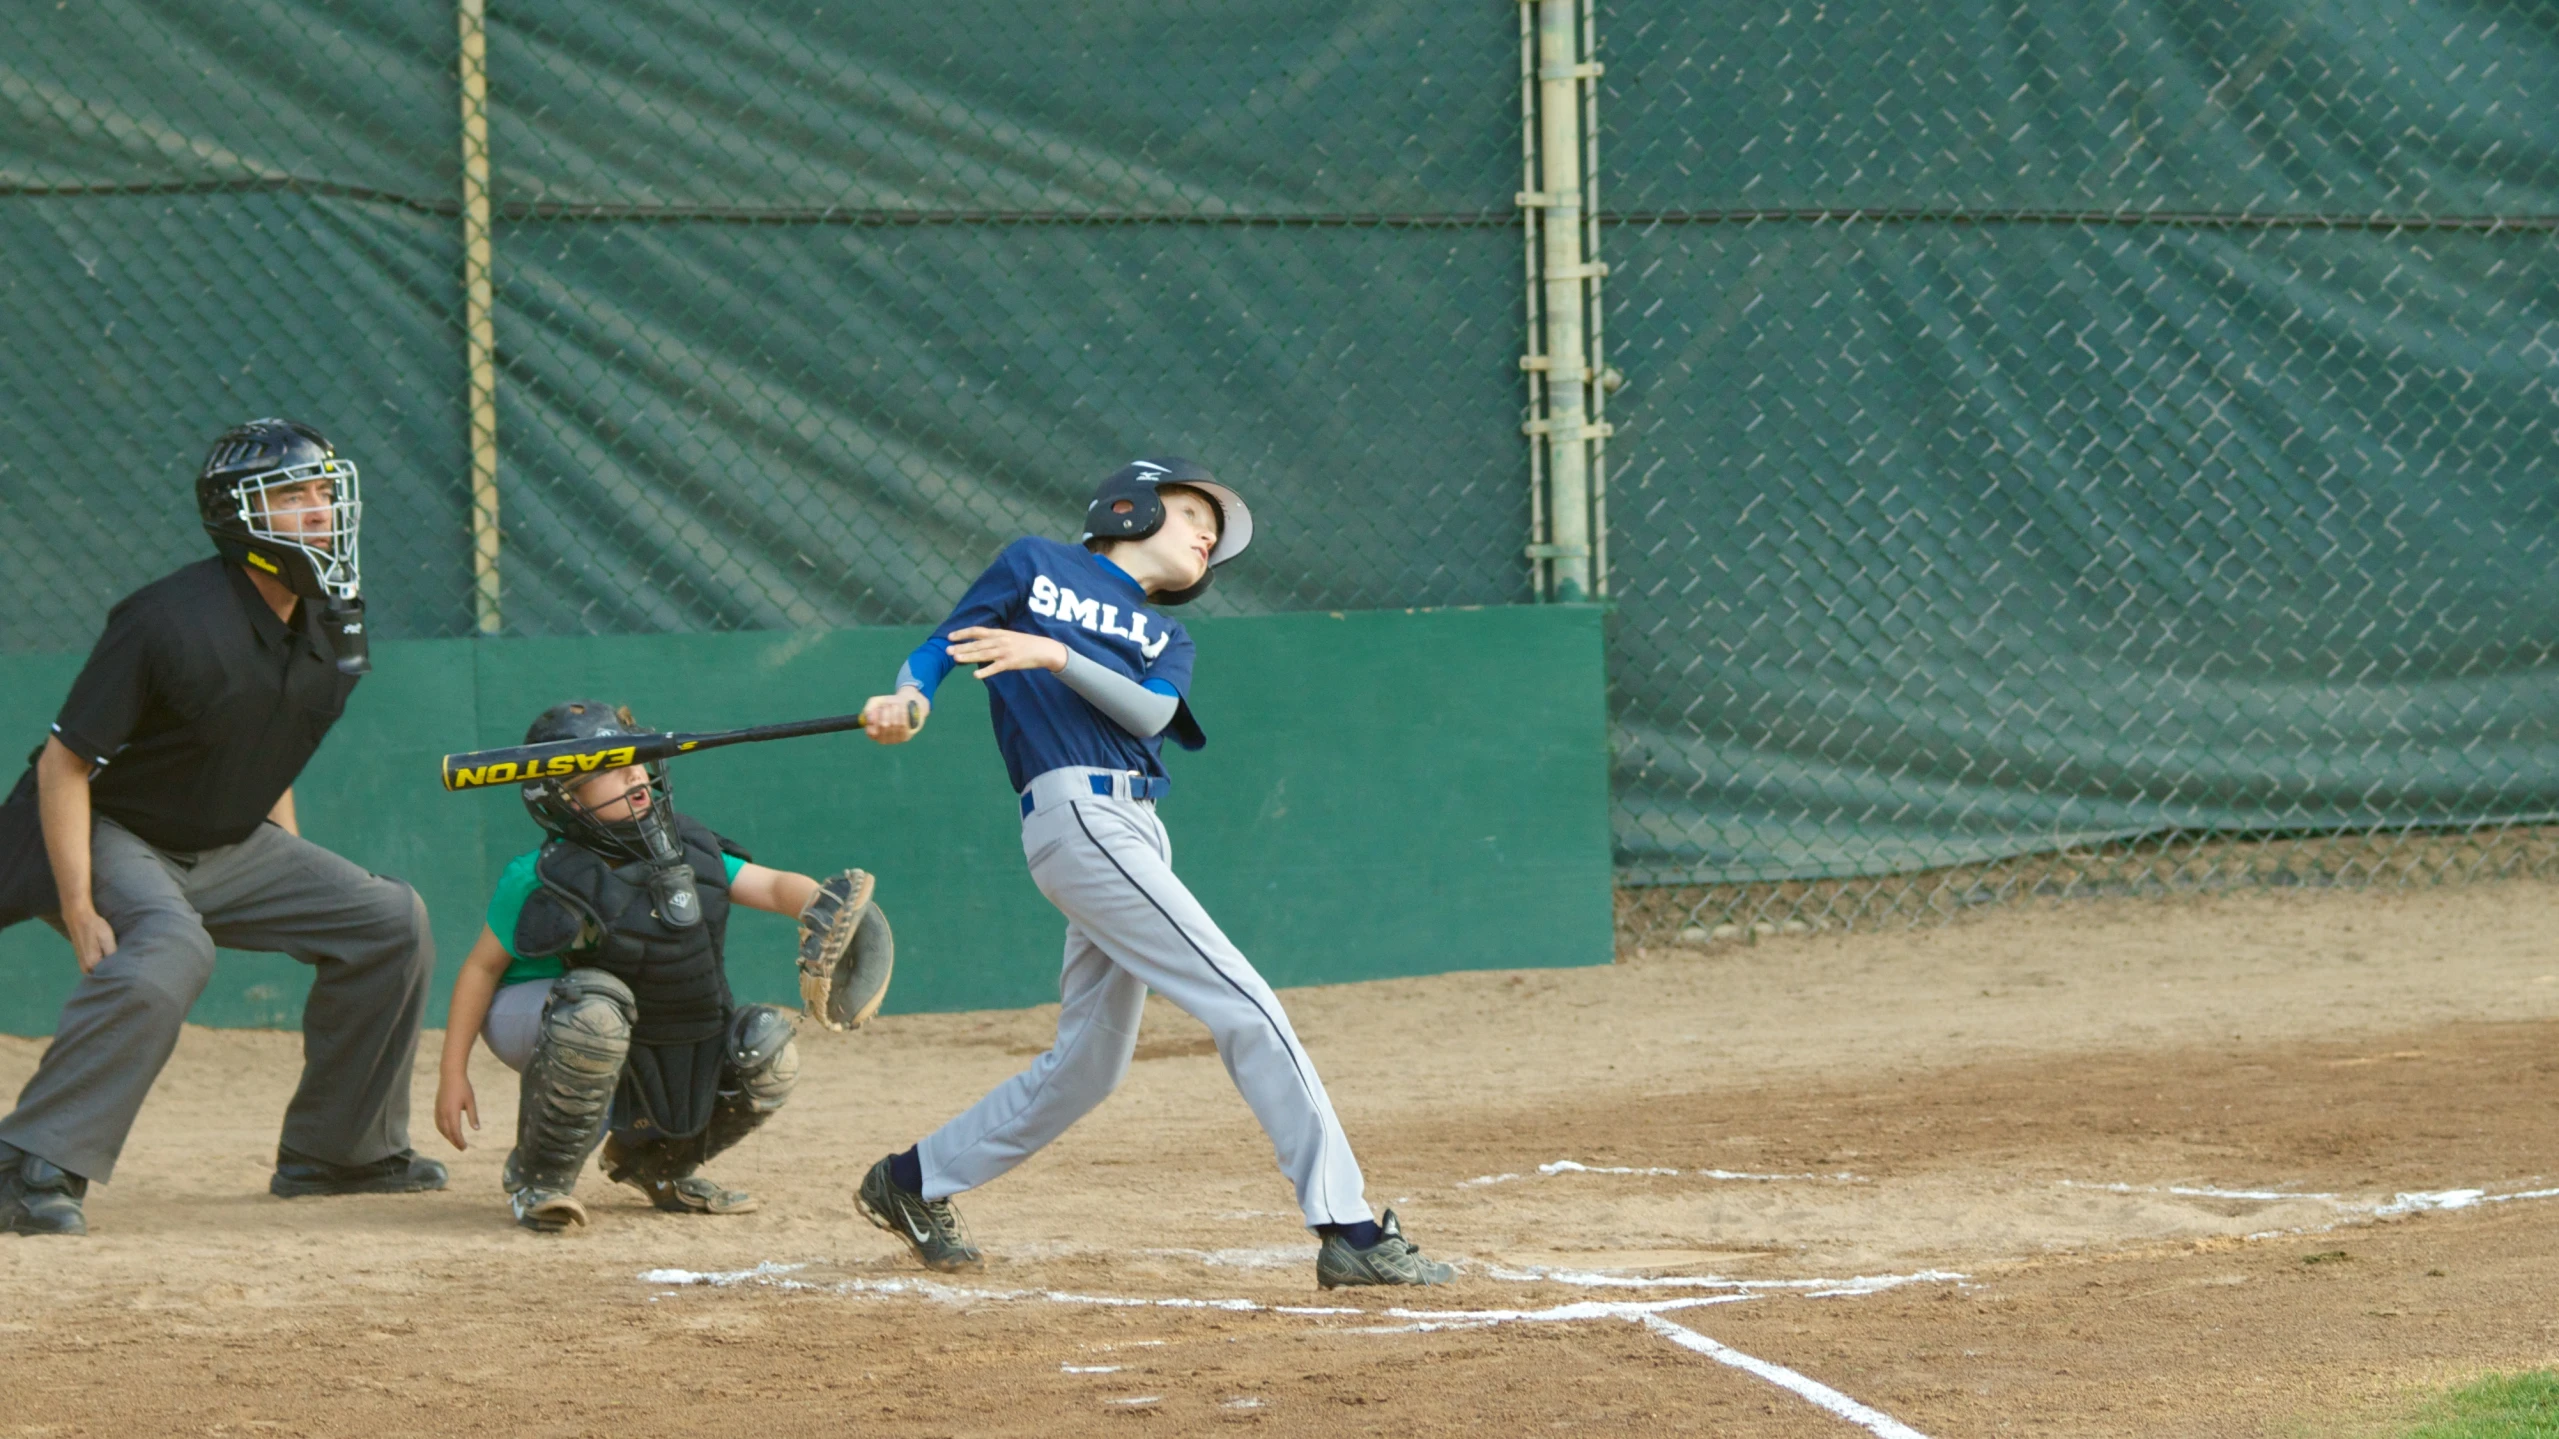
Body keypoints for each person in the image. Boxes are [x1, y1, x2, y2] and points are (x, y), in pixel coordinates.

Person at [851, 457, 1454, 1288]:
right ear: (1129, 506)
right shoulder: (1035, 563)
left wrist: (1054, 655)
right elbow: (939, 648)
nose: (1208, 534)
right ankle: (1346, 1225)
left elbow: (1151, 712)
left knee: (1089, 1062)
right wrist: (908, 699)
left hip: (1136, 825)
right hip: (1079, 816)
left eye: (1215, 532)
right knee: (1245, 1004)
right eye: (1192, 512)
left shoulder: (1169, 635)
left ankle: (911, 1180)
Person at [0, 418, 440, 1236]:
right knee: (172, 946)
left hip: (226, 837)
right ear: (240, 518)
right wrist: (81, 905)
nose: (316, 511)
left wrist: (296, 867)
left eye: (322, 492)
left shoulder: (336, 612)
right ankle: (27, 1163)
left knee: (388, 919)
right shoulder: (163, 618)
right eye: (291, 496)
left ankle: (337, 1152)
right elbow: (65, 764)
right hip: (109, 824)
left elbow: (273, 744)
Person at [433, 700, 885, 1232]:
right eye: (608, 768)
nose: (634, 772)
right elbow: (481, 970)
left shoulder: (683, 850)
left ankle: (654, 1161)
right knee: (596, 1016)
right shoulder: (538, 875)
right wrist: (452, 1073)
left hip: (623, 1010)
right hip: (534, 1013)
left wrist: (823, 909)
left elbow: (770, 884)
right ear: (563, 798)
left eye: (637, 758)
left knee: (766, 1049)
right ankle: (540, 1180)